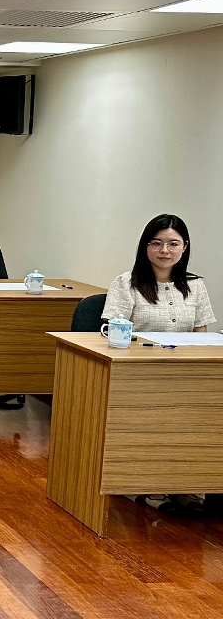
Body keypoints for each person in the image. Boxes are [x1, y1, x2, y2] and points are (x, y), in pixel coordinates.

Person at [102, 213, 215, 516]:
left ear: (184, 247)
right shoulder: (126, 283)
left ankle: (184, 485)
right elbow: (113, 333)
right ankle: (149, 486)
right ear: (146, 246)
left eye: (173, 244)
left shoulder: (195, 285)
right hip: (137, 375)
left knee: (200, 415)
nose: (165, 250)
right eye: (156, 243)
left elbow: (201, 335)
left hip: (184, 374)